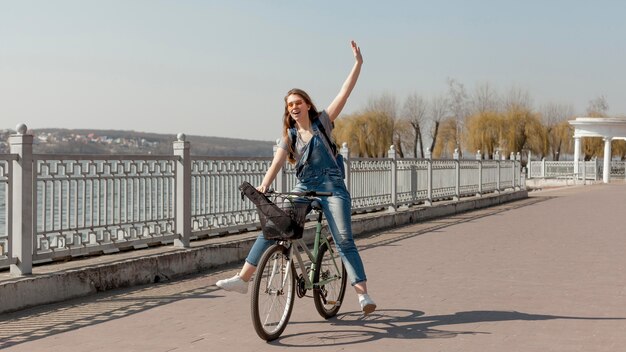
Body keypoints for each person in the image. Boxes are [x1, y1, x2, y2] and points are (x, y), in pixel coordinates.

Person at [216, 40, 376, 314]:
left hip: (332, 188)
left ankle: (363, 294)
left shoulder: (322, 123)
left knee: (344, 240)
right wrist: (265, 184)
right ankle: (243, 279)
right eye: (289, 104)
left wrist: (358, 64)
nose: (293, 107)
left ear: (307, 105)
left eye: (298, 102)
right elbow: (277, 162)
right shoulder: (289, 137)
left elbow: (344, 93)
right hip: (304, 188)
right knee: (274, 227)